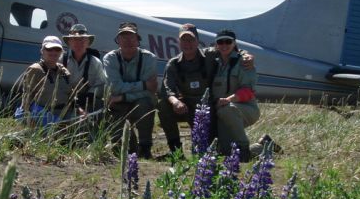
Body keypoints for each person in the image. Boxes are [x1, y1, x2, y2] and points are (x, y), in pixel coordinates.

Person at [158, 23, 255, 156]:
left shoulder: (210, 55)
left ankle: (257, 147)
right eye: (184, 40)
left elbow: (230, 50)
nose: (188, 43)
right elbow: (167, 89)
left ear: (198, 41)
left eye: (191, 39)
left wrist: (246, 55)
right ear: (178, 42)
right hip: (186, 106)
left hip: (208, 108)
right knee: (163, 105)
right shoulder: (173, 64)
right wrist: (175, 102)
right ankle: (176, 151)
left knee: (214, 151)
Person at [103, 21, 158, 159]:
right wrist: (143, 85)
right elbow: (114, 87)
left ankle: (145, 147)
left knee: (145, 103)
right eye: (124, 37)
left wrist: (123, 97)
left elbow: (150, 91)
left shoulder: (149, 58)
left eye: (131, 37)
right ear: (118, 41)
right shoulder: (110, 58)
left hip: (134, 101)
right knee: (121, 151)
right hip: (117, 104)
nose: (128, 41)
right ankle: (130, 146)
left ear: (138, 40)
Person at [211, 29, 260, 162]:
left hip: (245, 109)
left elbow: (248, 91)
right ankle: (264, 145)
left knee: (227, 109)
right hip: (222, 112)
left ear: (234, 43)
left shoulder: (243, 62)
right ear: (216, 44)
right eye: (220, 42)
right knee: (226, 152)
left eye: (228, 41)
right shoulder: (213, 60)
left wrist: (228, 100)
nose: (224, 45)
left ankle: (244, 148)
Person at [14, 35, 81, 126]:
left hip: (64, 112)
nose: (53, 52)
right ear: (42, 51)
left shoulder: (64, 71)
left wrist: (79, 109)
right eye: (49, 49)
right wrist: (29, 117)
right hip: (43, 114)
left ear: (61, 52)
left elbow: (70, 94)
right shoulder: (35, 70)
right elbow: (27, 96)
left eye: (57, 49)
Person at [62, 23, 106, 111]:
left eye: (82, 39)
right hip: (64, 100)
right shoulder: (60, 60)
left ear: (88, 42)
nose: (78, 42)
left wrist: (89, 96)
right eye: (74, 39)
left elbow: (101, 84)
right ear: (69, 42)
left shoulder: (96, 62)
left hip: (87, 102)